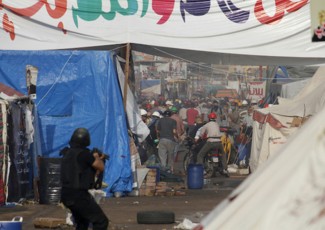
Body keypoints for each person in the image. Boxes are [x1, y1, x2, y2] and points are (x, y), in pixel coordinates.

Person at [60, 128, 109, 230]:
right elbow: (100, 167)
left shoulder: (67, 153)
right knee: (101, 221)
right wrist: (96, 156)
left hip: (65, 195)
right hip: (79, 196)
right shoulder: (84, 154)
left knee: (83, 223)